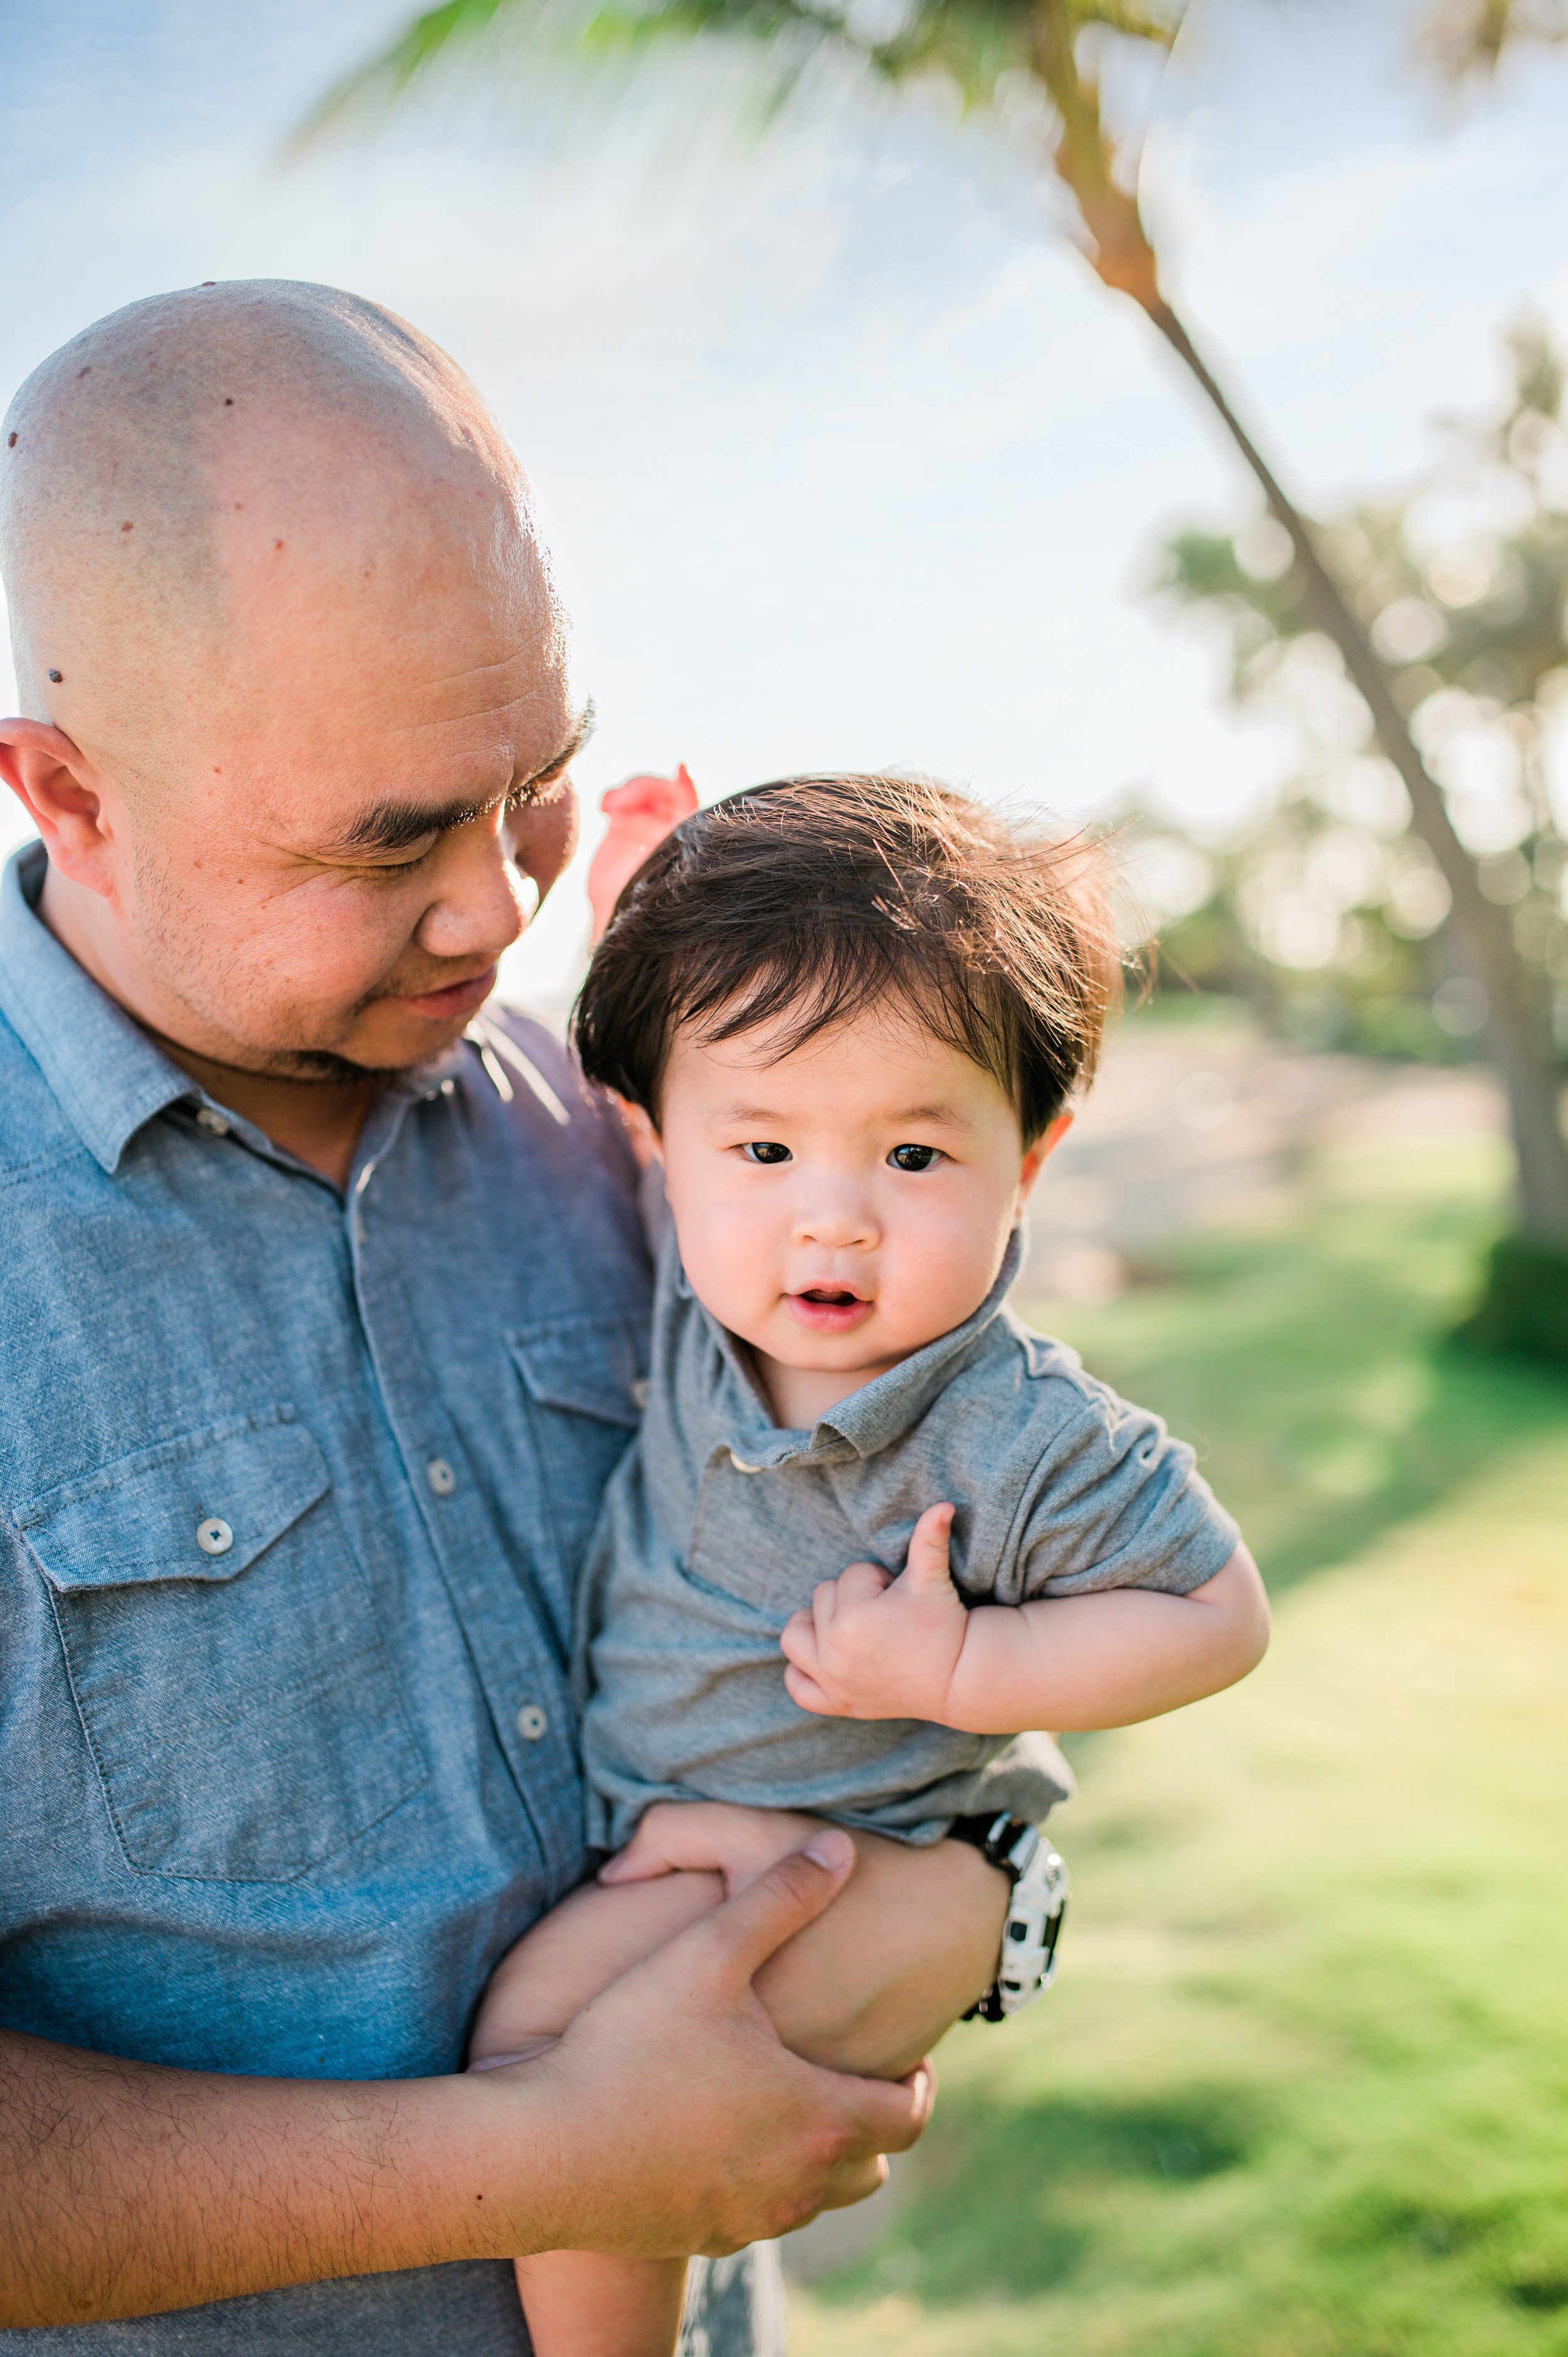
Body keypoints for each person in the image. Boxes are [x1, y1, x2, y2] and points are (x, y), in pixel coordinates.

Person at [0, 283, 1018, 2351]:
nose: (499, 904)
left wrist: (996, 1900)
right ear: (68, 790)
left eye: (529, 784)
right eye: (391, 839)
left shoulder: (620, 1137)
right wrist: (563, 2164)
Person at [469, 774, 1272, 2355]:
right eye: (763, 1148)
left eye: (912, 1158)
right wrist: (646, 884)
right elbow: (677, 1076)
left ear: (1026, 1159)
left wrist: (963, 1669)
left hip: (845, 1860)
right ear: (673, 1145)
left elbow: (1216, 1614)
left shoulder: (1015, 1429)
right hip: (692, 1829)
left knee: (544, 2046)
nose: (828, 1222)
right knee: (573, 2080)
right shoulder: (702, 1304)